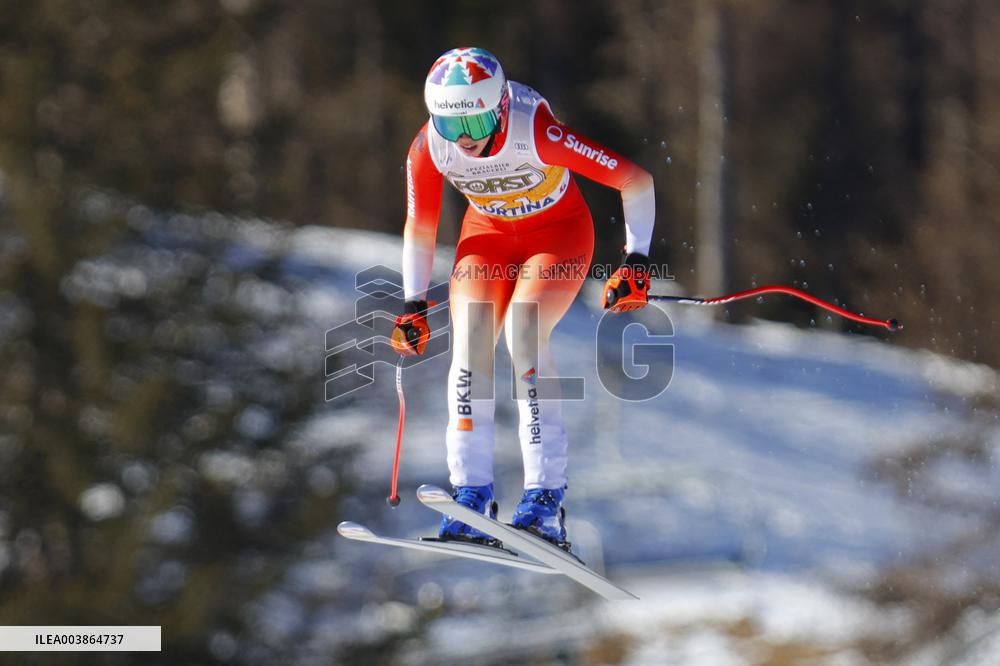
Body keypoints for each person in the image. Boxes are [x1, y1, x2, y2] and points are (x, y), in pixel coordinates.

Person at [390, 47, 655, 551]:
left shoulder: (536, 131)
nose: (464, 140)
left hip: (557, 235)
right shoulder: (429, 147)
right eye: (450, 126)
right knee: (469, 340)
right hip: (487, 236)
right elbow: (419, 226)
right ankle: (470, 493)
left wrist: (636, 260)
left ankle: (545, 498)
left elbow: (635, 181)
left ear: (503, 109)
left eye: (477, 121)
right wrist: (412, 305)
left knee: (524, 334)